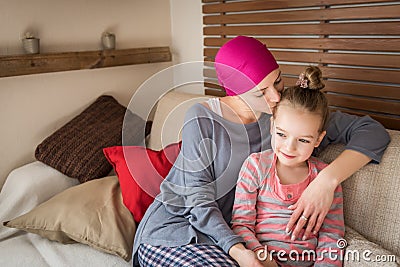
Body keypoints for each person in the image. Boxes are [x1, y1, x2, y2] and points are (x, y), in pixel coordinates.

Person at [133, 36, 390, 266]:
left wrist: (326, 180)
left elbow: (373, 132)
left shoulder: (289, 116)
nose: (276, 98)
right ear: (234, 93)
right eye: (260, 93)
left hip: (235, 239)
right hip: (176, 232)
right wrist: (239, 250)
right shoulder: (201, 118)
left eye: (277, 82)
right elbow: (197, 201)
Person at [231, 66, 344, 267]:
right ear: (272, 126)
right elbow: (241, 225)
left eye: (303, 140)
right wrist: (263, 259)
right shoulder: (256, 166)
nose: (289, 148)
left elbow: (332, 236)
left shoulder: (325, 178)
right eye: (282, 134)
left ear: (318, 139)